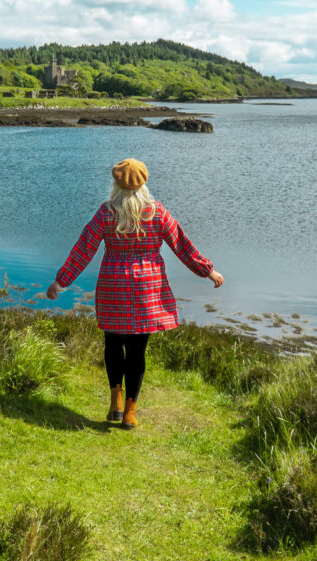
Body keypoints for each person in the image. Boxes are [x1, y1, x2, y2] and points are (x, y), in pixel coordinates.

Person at [46, 158, 223, 430]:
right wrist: (207, 271)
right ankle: (130, 412)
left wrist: (61, 281)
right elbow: (181, 244)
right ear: (144, 184)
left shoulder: (106, 213)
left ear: (115, 184)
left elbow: (84, 248)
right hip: (147, 288)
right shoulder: (157, 212)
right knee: (138, 351)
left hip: (114, 285)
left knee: (113, 344)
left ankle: (115, 403)